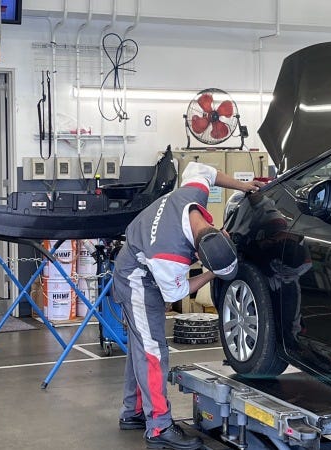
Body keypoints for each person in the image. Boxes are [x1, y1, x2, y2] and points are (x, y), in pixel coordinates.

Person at [112, 160, 264, 450]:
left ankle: (133, 411)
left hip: (140, 260)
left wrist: (243, 185)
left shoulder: (194, 193)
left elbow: (203, 169)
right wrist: (211, 274)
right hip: (137, 278)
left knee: (141, 346)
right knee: (153, 351)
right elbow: (177, 292)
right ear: (196, 253)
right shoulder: (169, 256)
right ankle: (159, 429)